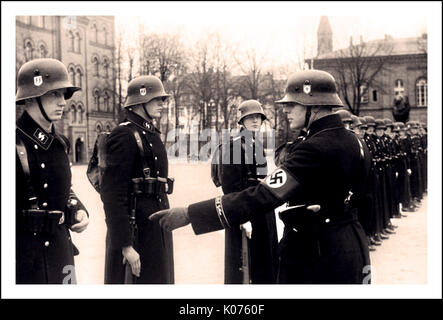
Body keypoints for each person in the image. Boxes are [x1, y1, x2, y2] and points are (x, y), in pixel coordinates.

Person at [150, 70, 372, 284]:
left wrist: (192, 214)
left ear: (313, 105)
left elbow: (265, 193)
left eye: (292, 104)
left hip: (315, 252)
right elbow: (366, 199)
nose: (286, 110)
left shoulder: (314, 148)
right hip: (353, 245)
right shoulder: (357, 142)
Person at [16, 58, 89, 284]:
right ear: (31, 97)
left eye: (64, 94)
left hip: (61, 249)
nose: (63, 102)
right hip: (27, 259)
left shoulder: (59, 143)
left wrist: (77, 208)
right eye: (54, 94)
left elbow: (64, 189)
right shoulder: (14, 143)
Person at [101, 75, 174, 284]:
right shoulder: (124, 135)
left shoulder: (149, 132)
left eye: (162, 99)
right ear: (140, 100)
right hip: (136, 233)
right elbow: (112, 194)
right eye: (156, 99)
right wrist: (125, 244)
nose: (162, 104)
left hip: (155, 228)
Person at [220, 100, 278, 284]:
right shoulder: (234, 145)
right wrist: (242, 218)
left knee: (264, 264)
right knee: (245, 270)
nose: (255, 120)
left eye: (258, 117)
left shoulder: (256, 143)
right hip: (245, 214)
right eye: (250, 117)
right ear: (242, 121)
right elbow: (230, 187)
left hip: (261, 210)